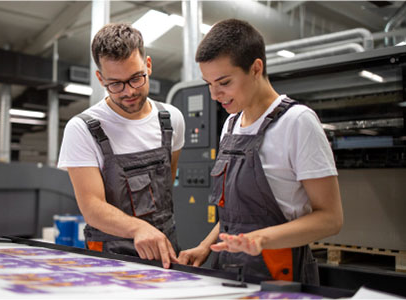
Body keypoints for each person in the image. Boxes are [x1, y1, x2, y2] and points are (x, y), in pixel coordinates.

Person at [177, 19, 343, 284]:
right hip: (229, 274)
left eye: (224, 82)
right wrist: (205, 246)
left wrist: (263, 239)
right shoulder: (230, 126)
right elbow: (237, 217)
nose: (214, 94)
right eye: (209, 83)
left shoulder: (297, 122)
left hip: (279, 274)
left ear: (256, 68)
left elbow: (330, 219)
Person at [58, 23, 185, 269]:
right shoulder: (82, 129)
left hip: (165, 249)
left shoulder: (171, 119)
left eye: (136, 78)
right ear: (100, 78)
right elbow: (92, 208)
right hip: (109, 255)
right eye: (115, 84)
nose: (128, 92)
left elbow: (167, 185)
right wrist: (139, 228)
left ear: (148, 65)